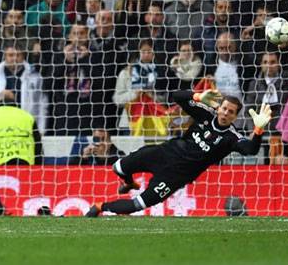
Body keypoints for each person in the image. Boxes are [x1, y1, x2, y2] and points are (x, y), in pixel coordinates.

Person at [86, 89, 271, 217]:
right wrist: (198, 96)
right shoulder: (206, 114)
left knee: (139, 204)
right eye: (223, 108)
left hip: (176, 176)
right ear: (218, 107)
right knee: (117, 168)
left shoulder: (231, 137)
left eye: (230, 112)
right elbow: (177, 96)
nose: (225, 114)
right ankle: (129, 182)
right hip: (164, 153)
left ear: (235, 117)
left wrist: (258, 130)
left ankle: (100, 206)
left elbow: (251, 149)